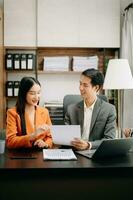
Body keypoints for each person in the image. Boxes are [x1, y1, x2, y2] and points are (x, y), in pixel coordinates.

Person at [65, 68, 116, 150]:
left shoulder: (109, 110)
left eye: (85, 85)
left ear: (96, 88)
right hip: (74, 153)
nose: (80, 88)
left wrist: (88, 145)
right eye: (80, 84)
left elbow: (109, 139)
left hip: (95, 153)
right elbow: (65, 138)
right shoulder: (71, 109)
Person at [6, 77, 53, 149]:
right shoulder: (12, 113)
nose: (37, 97)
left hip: (41, 154)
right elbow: (10, 141)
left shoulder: (44, 112)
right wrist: (32, 136)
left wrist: (45, 143)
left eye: (38, 93)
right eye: (32, 93)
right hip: (22, 155)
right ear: (23, 93)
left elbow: (50, 137)